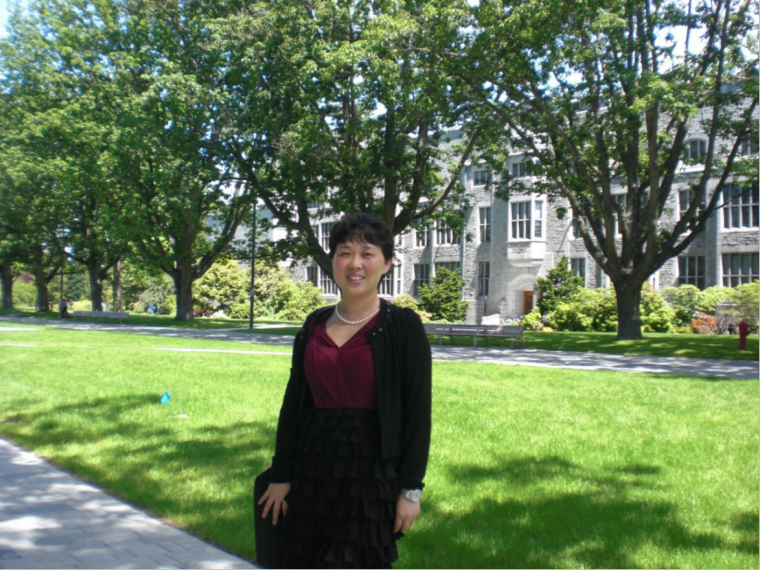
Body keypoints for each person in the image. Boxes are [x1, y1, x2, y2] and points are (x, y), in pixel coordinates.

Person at [258, 213, 432, 569]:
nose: (355, 264)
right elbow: (294, 405)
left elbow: (418, 412)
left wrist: (410, 490)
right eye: (345, 253)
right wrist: (281, 474)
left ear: (386, 263)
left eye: (367, 253)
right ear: (333, 261)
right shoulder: (313, 325)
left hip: (370, 479)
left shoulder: (403, 327)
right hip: (311, 469)